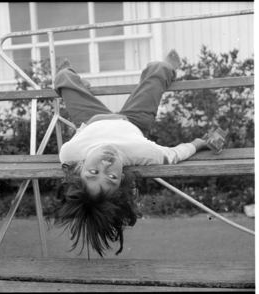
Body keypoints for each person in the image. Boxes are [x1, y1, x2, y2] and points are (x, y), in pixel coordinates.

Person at [47, 50, 209, 258]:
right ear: (122, 177)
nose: (105, 165)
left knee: (63, 78)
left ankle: (74, 82)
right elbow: (174, 155)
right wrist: (198, 143)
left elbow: (80, 134)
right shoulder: (142, 152)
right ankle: (167, 67)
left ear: (79, 168)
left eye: (93, 171)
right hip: (132, 120)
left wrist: (87, 124)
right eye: (112, 177)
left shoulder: (69, 153)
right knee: (156, 72)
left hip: (92, 118)